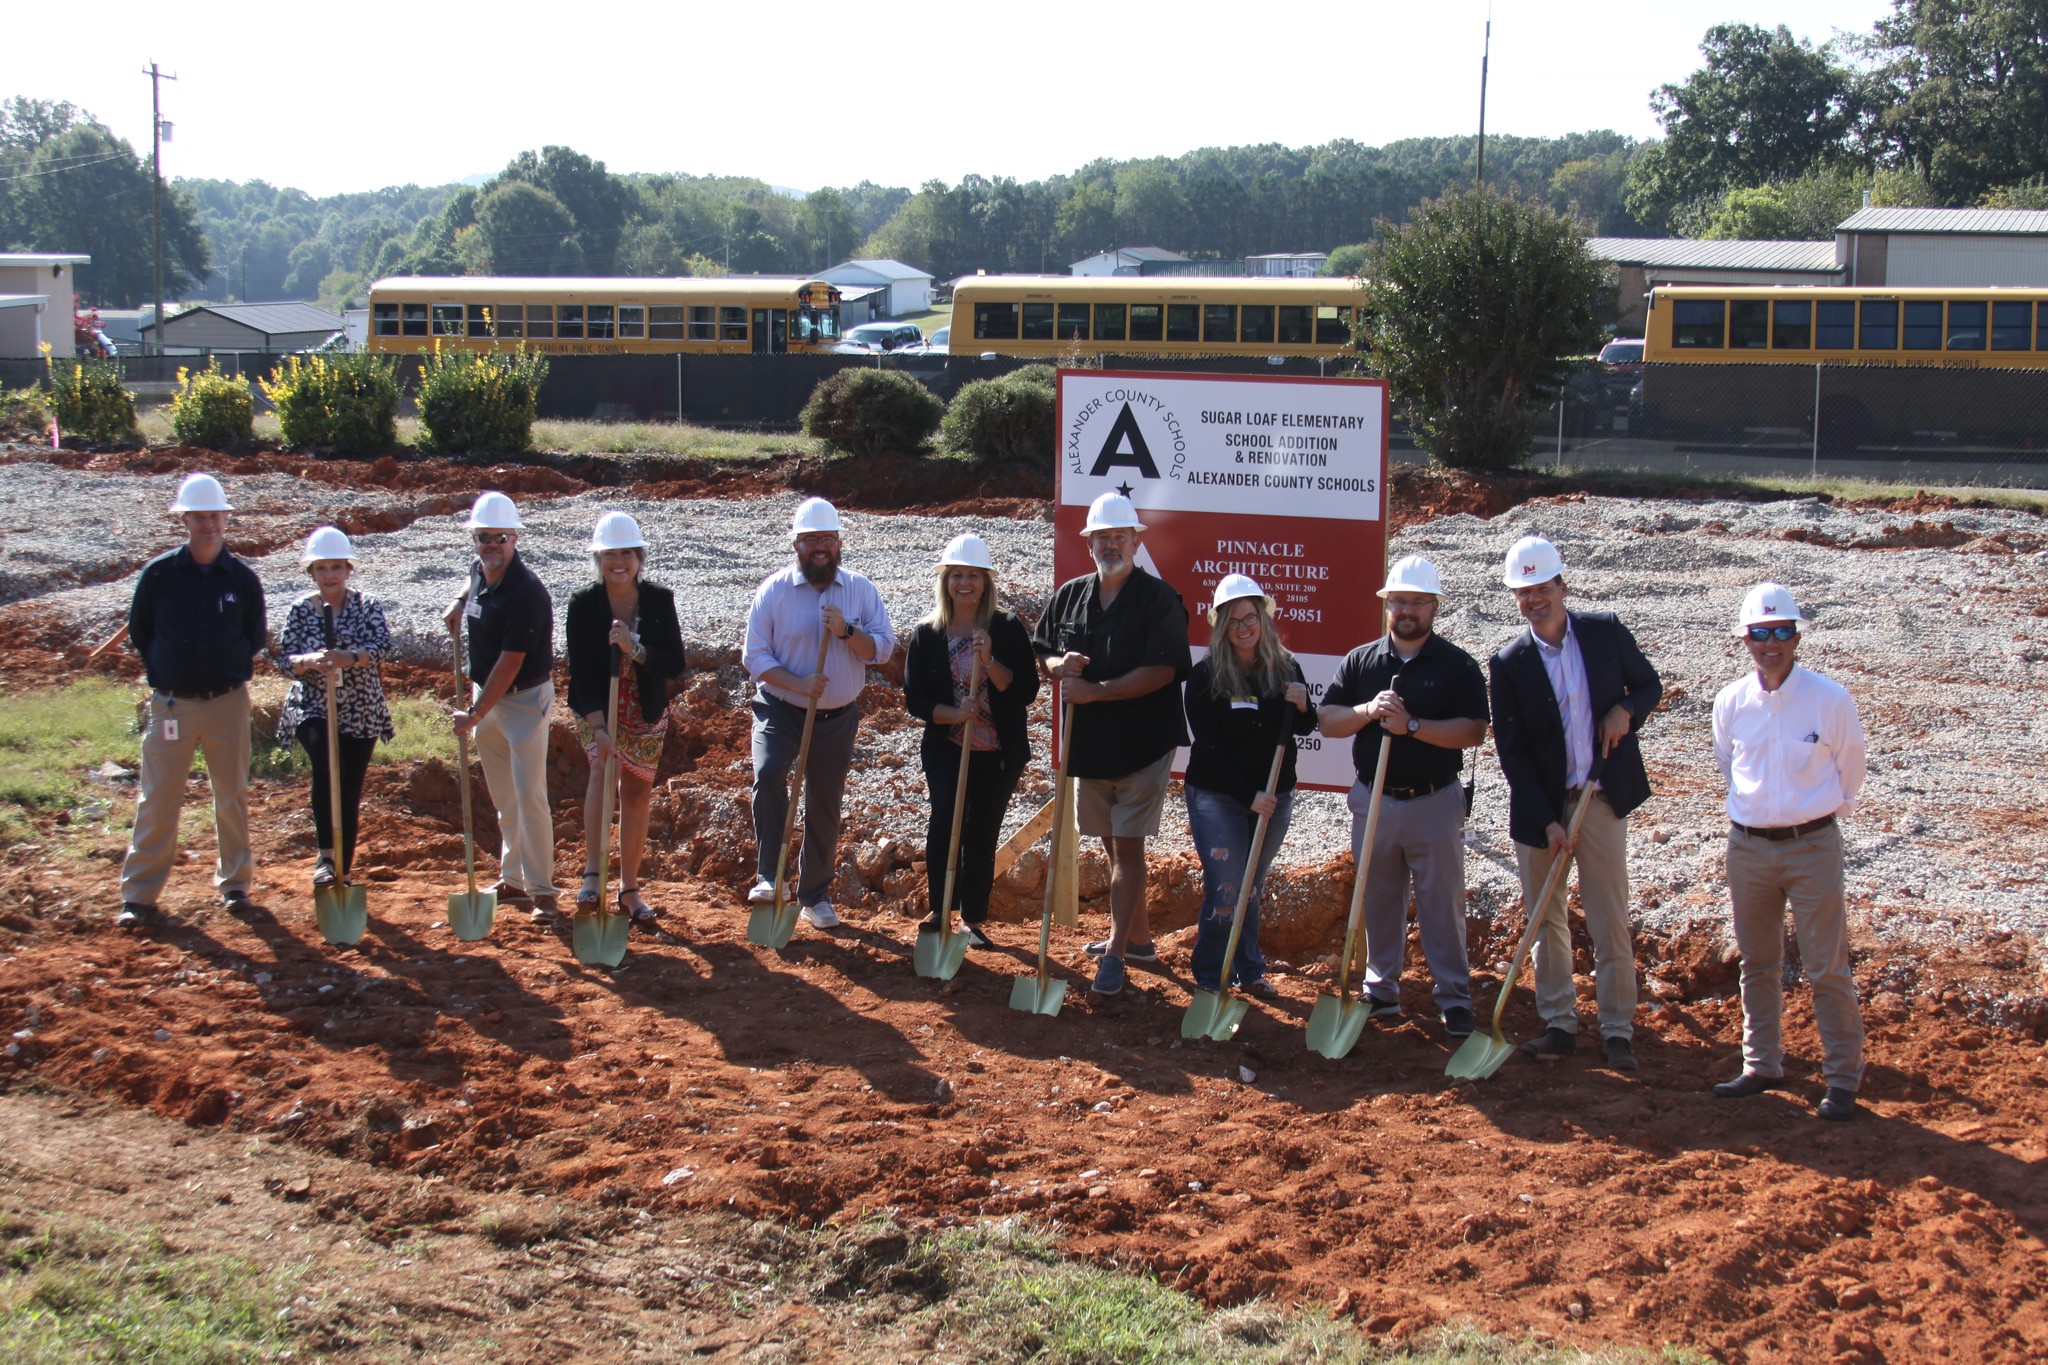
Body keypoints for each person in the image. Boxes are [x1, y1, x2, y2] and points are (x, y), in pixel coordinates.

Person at [1488, 534, 1663, 1071]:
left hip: (1602, 798)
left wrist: (1626, 712)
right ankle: (1560, 1023)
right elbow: (1512, 753)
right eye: (1524, 591)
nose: (1534, 599)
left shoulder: (1604, 632)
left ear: (1562, 585)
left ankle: (1617, 1031)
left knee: (1609, 918)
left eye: (1542, 587)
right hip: (1542, 806)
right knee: (1547, 918)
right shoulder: (1508, 661)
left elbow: (1649, 685)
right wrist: (1546, 820)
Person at [1710, 583, 1868, 1121]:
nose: (1770, 643)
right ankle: (1762, 1065)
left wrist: (1814, 816)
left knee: (1827, 967)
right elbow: (1727, 764)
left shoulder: (1830, 700)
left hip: (1812, 846)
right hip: (1748, 847)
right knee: (1757, 962)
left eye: (1780, 632)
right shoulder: (1731, 702)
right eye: (1760, 633)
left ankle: (1843, 1078)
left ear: (1796, 636)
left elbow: (1851, 772)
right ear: (1745, 640)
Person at [1319, 555, 1490, 1035]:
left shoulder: (1456, 666)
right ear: (1387, 605)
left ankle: (1454, 997)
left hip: (1433, 802)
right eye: (1399, 601)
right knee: (1379, 900)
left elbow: (1474, 730)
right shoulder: (1362, 661)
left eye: (1417, 602)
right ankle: (1381, 991)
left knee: (1442, 903)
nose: (1407, 610)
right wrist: (1369, 710)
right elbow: (1329, 721)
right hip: (1373, 799)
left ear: (1434, 606)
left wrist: (1412, 726)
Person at [1031, 492, 1193, 997]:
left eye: (1120, 536)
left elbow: (1163, 670)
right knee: (1109, 842)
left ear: (1135, 541)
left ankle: (1117, 954)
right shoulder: (1071, 595)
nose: (1111, 545)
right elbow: (1044, 649)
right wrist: (1058, 668)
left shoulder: (1158, 600)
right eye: (1103, 537)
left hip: (1143, 743)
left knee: (1127, 848)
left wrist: (1095, 691)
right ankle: (1139, 938)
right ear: (1090, 543)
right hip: (1091, 745)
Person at [117, 472, 268, 928]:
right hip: (172, 706)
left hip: (227, 702)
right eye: (199, 517)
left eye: (215, 516)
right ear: (184, 520)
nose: (208, 524)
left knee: (232, 794)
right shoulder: (160, 575)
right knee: (158, 797)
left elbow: (253, 638)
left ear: (226, 518)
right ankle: (139, 894)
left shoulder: (241, 579)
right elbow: (142, 634)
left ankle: (235, 884)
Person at [742, 497, 894, 930]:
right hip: (781, 708)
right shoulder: (773, 591)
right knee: (769, 774)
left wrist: (847, 631)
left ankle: (814, 895)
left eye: (827, 538)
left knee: (825, 803)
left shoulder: (860, 590)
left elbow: (882, 650)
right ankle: (770, 877)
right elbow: (754, 657)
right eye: (811, 540)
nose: (820, 547)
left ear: (839, 542)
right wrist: (799, 683)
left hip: (837, 717)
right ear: (796, 545)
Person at [902, 533, 1040, 947]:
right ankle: (939, 907)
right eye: (956, 575)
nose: (965, 583)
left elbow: (1026, 692)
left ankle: (973, 919)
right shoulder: (928, 633)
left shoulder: (1007, 626)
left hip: (998, 750)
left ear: (986, 582)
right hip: (949, 744)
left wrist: (991, 660)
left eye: (973, 576)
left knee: (982, 831)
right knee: (945, 818)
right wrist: (952, 713)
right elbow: (915, 699)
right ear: (945, 581)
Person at [1183, 575, 1315, 997]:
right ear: (1221, 626)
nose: (1243, 628)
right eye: (1233, 621)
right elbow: (1210, 747)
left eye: (1250, 618)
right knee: (1227, 888)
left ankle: (1249, 969)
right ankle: (1208, 975)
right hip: (1218, 797)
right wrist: (1248, 797)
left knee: (1252, 886)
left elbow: (1307, 726)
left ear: (1263, 619)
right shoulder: (1204, 677)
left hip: (1275, 793)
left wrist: (1304, 704)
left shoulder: (1285, 666)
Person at [566, 511, 685, 926]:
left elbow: (674, 663)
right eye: (609, 554)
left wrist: (634, 647)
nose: (619, 561)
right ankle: (592, 877)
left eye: (627, 553)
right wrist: (598, 728)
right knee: (601, 776)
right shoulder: (583, 605)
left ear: (639, 557)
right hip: (599, 708)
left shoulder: (658, 600)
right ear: (598, 559)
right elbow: (580, 672)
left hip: (644, 709)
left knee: (635, 795)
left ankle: (630, 888)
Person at [443, 490, 557, 917]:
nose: (491, 544)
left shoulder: (527, 593)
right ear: (475, 538)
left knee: (529, 796)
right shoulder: (479, 570)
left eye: (501, 537)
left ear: (516, 539)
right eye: (483, 536)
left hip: (522, 700)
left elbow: (511, 663)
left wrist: (474, 714)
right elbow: (472, 580)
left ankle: (543, 891)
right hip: (484, 698)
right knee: (504, 797)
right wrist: (457, 603)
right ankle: (512, 881)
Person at [277, 526, 393, 889]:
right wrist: (310, 661)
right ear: (311, 572)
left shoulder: (367, 605)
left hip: (361, 707)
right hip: (313, 704)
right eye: (321, 568)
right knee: (328, 767)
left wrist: (349, 657)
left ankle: (343, 867)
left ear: (348, 569)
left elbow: (384, 647)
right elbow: (284, 659)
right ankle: (325, 856)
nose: (329, 575)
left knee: (350, 784)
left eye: (336, 567)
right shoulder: (300, 610)